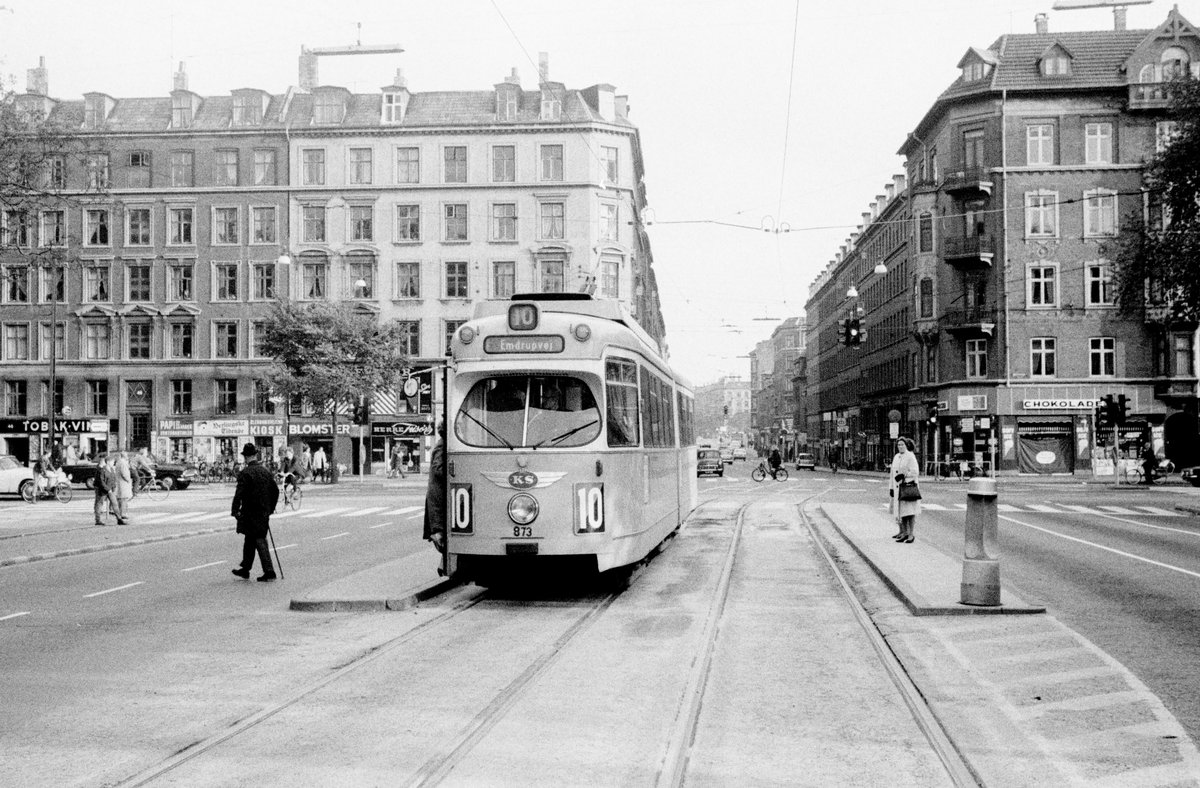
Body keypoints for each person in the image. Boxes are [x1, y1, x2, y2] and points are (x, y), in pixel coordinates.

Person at [230, 442, 280, 582]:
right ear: (255, 456)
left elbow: (239, 494)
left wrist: (235, 510)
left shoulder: (245, 473)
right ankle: (245, 569)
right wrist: (270, 508)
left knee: (258, 539)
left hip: (250, 512)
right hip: (263, 511)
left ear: (246, 457)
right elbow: (275, 491)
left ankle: (269, 571)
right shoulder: (265, 471)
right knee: (250, 539)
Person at [889, 437, 921, 543]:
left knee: (910, 512)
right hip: (898, 489)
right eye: (898, 445)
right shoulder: (896, 457)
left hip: (908, 488)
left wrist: (904, 476)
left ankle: (911, 534)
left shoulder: (910, 456)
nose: (900, 447)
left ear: (906, 445)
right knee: (901, 512)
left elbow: (915, 472)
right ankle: (903, 532)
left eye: (902, 445)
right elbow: (892, 474)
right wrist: (891, 488)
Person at [423, 423, 446, 554]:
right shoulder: (442, 445)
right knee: (440, 532)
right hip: (438, 496)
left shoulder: (441, 444)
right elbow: (438, 469)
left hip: (437, 495)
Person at [93, 455, 124, 525]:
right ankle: (97, 520)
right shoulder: (102, 470)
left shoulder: (112, 469)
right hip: (103, 490)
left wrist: (113, 487)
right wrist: (107, 489)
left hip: (110, 490)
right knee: (99, 504)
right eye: (112, 461)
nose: (113, 463)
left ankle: (119, 519)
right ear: (108, 462)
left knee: (115, 504)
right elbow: (101, 481)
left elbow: (113, 479)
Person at [114, 451, 133, 522]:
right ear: (124, 456)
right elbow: (124, 473)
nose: (128, 456)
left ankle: (121, 513)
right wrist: (128, 480)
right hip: (123, 483)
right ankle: (123, 514)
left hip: (120, 482)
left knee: (121, 499)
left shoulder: (119, 462)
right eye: (127, 455)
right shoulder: (123, 463)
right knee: (123, 499)